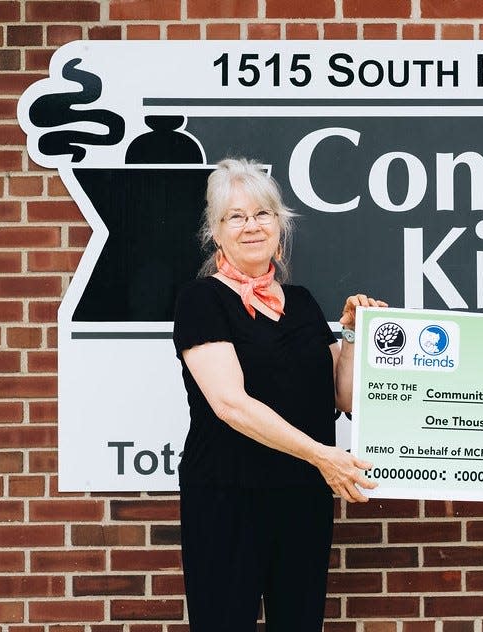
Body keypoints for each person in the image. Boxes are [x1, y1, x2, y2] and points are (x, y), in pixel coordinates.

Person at [172, 158, 384, 630]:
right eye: (236, 217)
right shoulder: (201, 299)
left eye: (262, 214)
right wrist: (323, 456)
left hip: (302, 496)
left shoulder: (304, 302)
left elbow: (343, 398)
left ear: (280, 224)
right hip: (228, 496)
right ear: (216, 231)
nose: (251, 227)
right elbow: (230, 403)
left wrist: (352, 337)